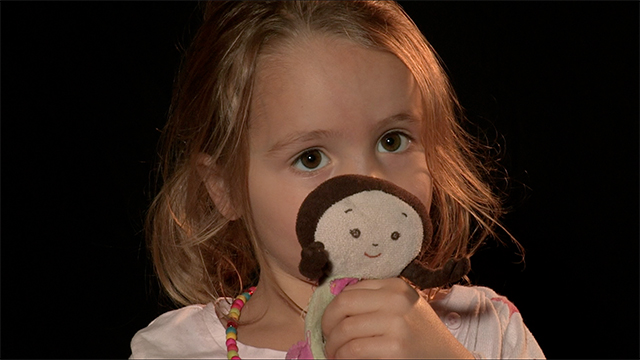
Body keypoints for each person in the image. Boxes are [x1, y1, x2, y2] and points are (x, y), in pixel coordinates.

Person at [130, 1, 544, 358]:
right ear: (224, 189)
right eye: (311, 158)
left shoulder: (487, 332)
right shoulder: (175, 350)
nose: (368, 182)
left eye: (392, 140)